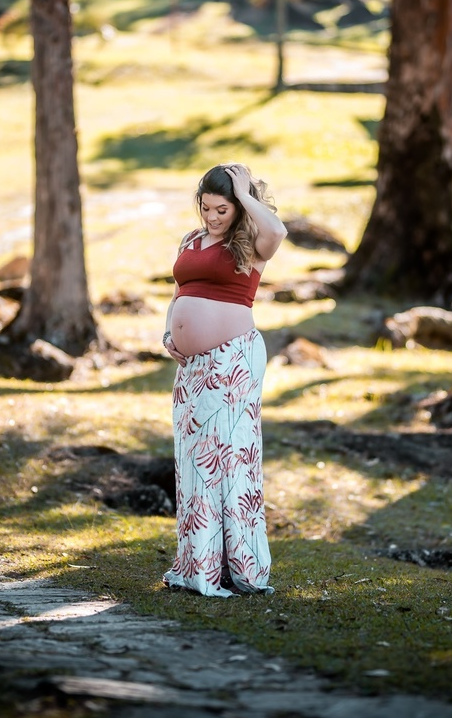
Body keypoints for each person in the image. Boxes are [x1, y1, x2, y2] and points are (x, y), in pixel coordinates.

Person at [161, 162, 287, 597]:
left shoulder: (251, 241)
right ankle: (200, 565)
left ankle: (242, 569)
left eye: (221, 210)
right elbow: (179, 294)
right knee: (195, 466)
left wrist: (245, 193)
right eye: (206, 208)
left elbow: (279, 231)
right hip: (192, 369)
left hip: (232, 361)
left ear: (238, 209)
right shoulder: (191, 240)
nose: (212, 218)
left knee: (230, 462)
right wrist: (168, 331)